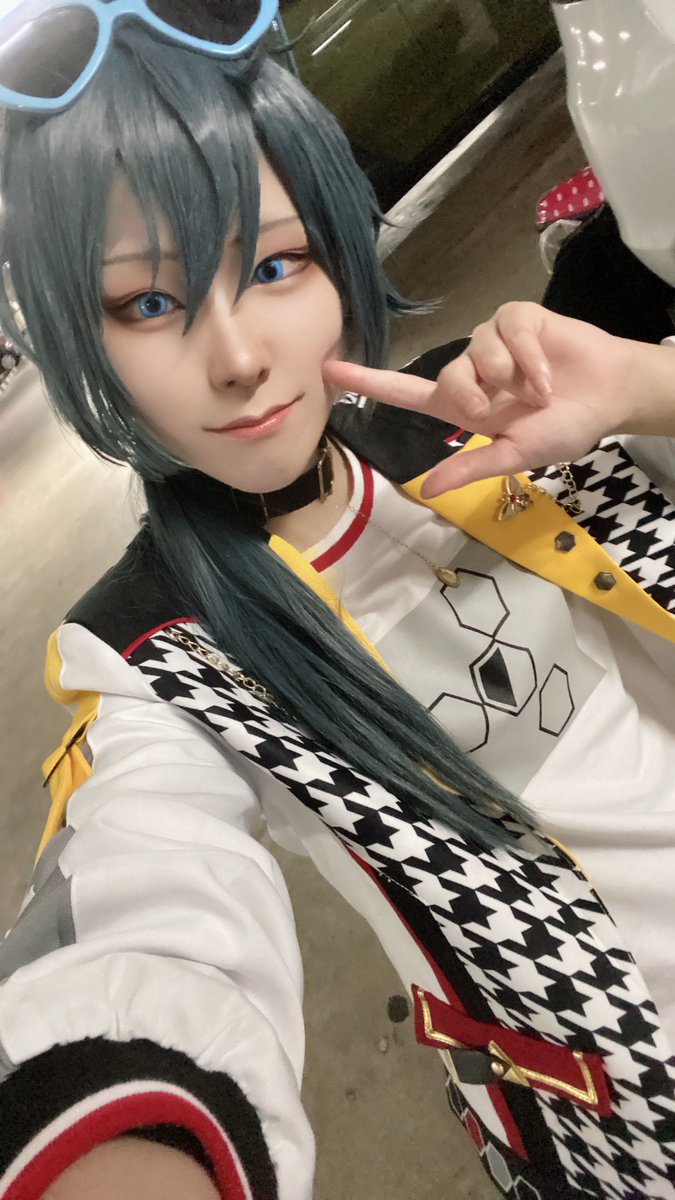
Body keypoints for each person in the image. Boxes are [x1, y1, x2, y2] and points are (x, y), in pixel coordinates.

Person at [0, 5, 673, 1198]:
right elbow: (143, 922)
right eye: (145, 303)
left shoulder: (493, 408)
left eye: (273, 266)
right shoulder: (152, 658)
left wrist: (644, 388)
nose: (236, 357)